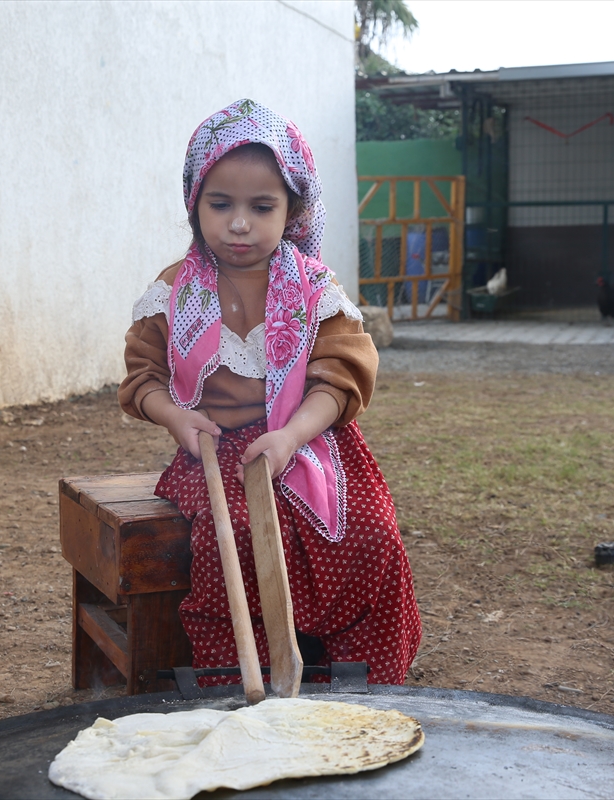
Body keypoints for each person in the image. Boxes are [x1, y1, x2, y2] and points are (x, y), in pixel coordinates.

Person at [118, 99, 422, 685]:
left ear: (292, 210)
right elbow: (143, 377)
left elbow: (341, 380)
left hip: (307, 440)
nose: (239, 223)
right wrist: (176, 418)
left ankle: (362, 678)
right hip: (214, 447)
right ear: (193, 204)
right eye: (220, 204)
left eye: (262, 207)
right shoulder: (175, 290)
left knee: (370, 530)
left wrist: (289, 437)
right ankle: (241, 676)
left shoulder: (313, 288)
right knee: (228, 536)